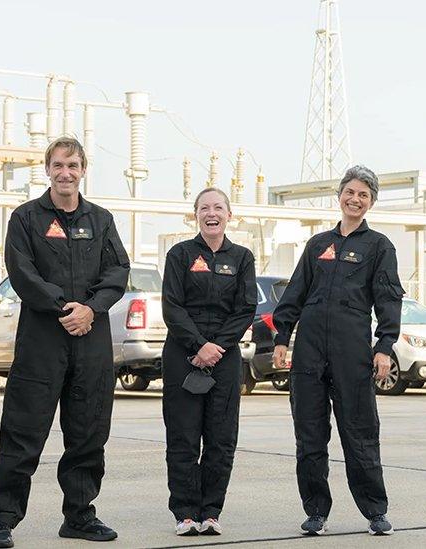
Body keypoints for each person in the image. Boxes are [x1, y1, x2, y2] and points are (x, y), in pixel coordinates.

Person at [0, 137, 131, 548]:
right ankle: (4, 519)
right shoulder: (27, 218)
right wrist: (64, 307)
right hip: (42, 340)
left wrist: (91, 308)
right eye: (58, 165)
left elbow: (118, 270)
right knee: (23, 430)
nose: (66, 172)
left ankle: (80, 515)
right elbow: (22, 271)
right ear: (47, 170)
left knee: (88, 432)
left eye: (73, 165)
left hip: (91, 340)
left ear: (83, 169)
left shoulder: (100, 220)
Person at [270, 165, 404, 537]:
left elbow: (388, 300)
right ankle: (315, 511)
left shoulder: (378, 246)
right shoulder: (317, 245)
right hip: (309, 355)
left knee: (359, 433)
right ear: (340, 196)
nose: (355, 199)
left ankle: (375, 510)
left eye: (364, 194)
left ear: (371, 202)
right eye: (350, 192)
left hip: (351, 354)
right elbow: (294, 294)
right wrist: (283, 337)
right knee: (310, 436)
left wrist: (384, 346)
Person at [161, 187, 257, 537]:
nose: (211, 213)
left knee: (221, 437)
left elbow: (245, 308)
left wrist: (217, 345)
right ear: (196, 215)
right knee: (183, 437)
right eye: (204, 208)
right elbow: (172, 306)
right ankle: (185, 512)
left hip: (225, 358)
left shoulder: (243, 258)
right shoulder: (180, 254)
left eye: (218, 207)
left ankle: (211, 511)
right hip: (183, 356)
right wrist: (199, 345)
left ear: (229, 215)